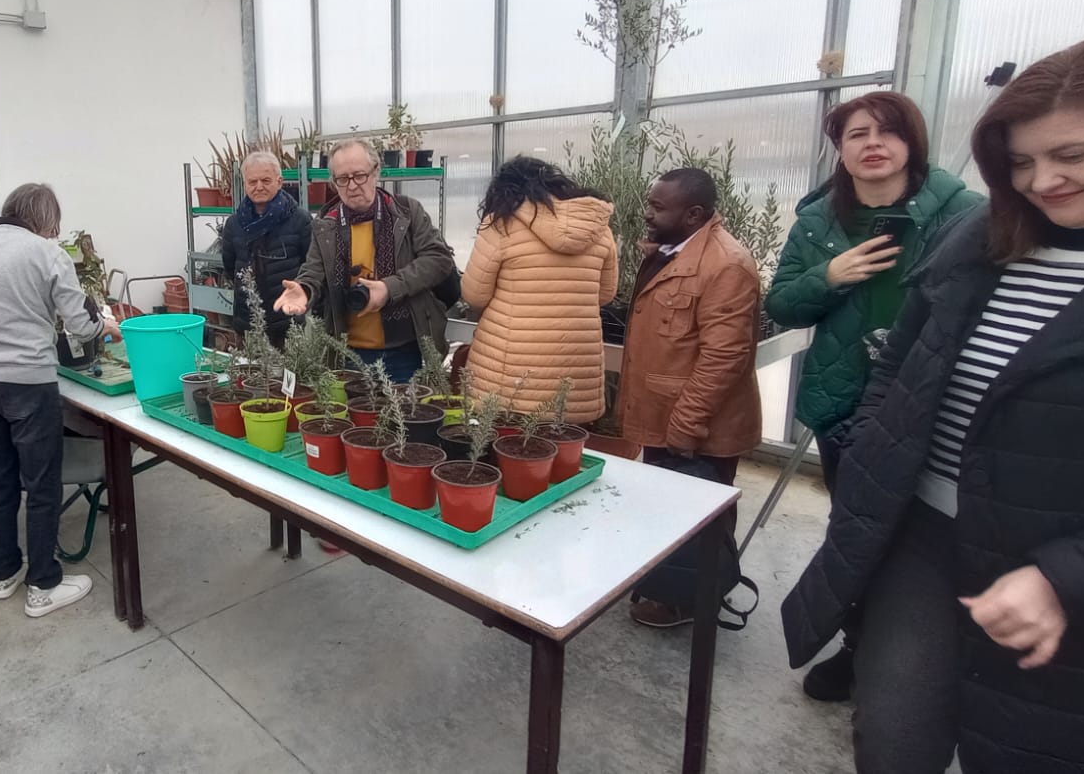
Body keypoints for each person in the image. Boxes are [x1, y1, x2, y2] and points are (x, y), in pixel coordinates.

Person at [783, 42, 1084, 774]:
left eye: (1071, 155)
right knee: (892, 736)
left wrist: (1067, 573)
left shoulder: (949, 209)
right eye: (1021, 162)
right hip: (919, 517)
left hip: (1044, 552)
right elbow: (902, 360)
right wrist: (872, 449)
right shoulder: (980, 235)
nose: (1043, 181)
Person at [765, 91, 983, 702]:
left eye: (887, 131)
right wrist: (828, 276)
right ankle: (859, 650)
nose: (872, 144)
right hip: (846, 404)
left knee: (935, 540)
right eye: (857, 134)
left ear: (913, 142)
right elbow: (781, 303)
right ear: (840, 148)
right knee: (857, 532)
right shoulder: (818, 220)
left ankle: (941, 662)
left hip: (938, 408)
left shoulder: (964, 214)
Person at [0, 184, 120, 615]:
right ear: (45, 220)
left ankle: (4, 573)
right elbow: (81, 324)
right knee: (42, 483)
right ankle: (43, 584)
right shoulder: (45, 253)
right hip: (26, 380)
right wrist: (106, 325)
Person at [618, 167, 761, 628]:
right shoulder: (674, 251)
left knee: (700, 515)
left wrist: (686, 422)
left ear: (694, 214)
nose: (648, 214)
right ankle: (667, 583)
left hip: (696, 425)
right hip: (664, 413)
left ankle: (691, 601)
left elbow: (725, 356)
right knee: (665, 507)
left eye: (658, 207)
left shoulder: (726, 265)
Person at [274, 139, 455, 382]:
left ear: (375, 172)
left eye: (359, 176)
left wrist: (389, 288)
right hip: (349, 353)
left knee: (405, 406)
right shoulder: (326, 225)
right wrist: (304, 289)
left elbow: (438, 259)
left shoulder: (406, 212)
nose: (352, 186)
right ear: (334, 182)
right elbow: (313, 270)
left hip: (406, 350)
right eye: (342, 179)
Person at [461, 155, 618, 415]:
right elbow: (606, 294)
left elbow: (474, 294)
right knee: (567, 439)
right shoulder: (598, 229)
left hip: (511, 365)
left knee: (504, 436)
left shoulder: (501, 224)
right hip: (577, 364)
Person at [219, 151, 312, 347]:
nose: (259, 186)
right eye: (252, 182)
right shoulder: (234, 224)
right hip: (248, 324)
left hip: (289, 325)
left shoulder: (300, 220)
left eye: (266, 180)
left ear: (279, 182)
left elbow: (310, 266)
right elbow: (230, 268)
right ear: (245, 184)